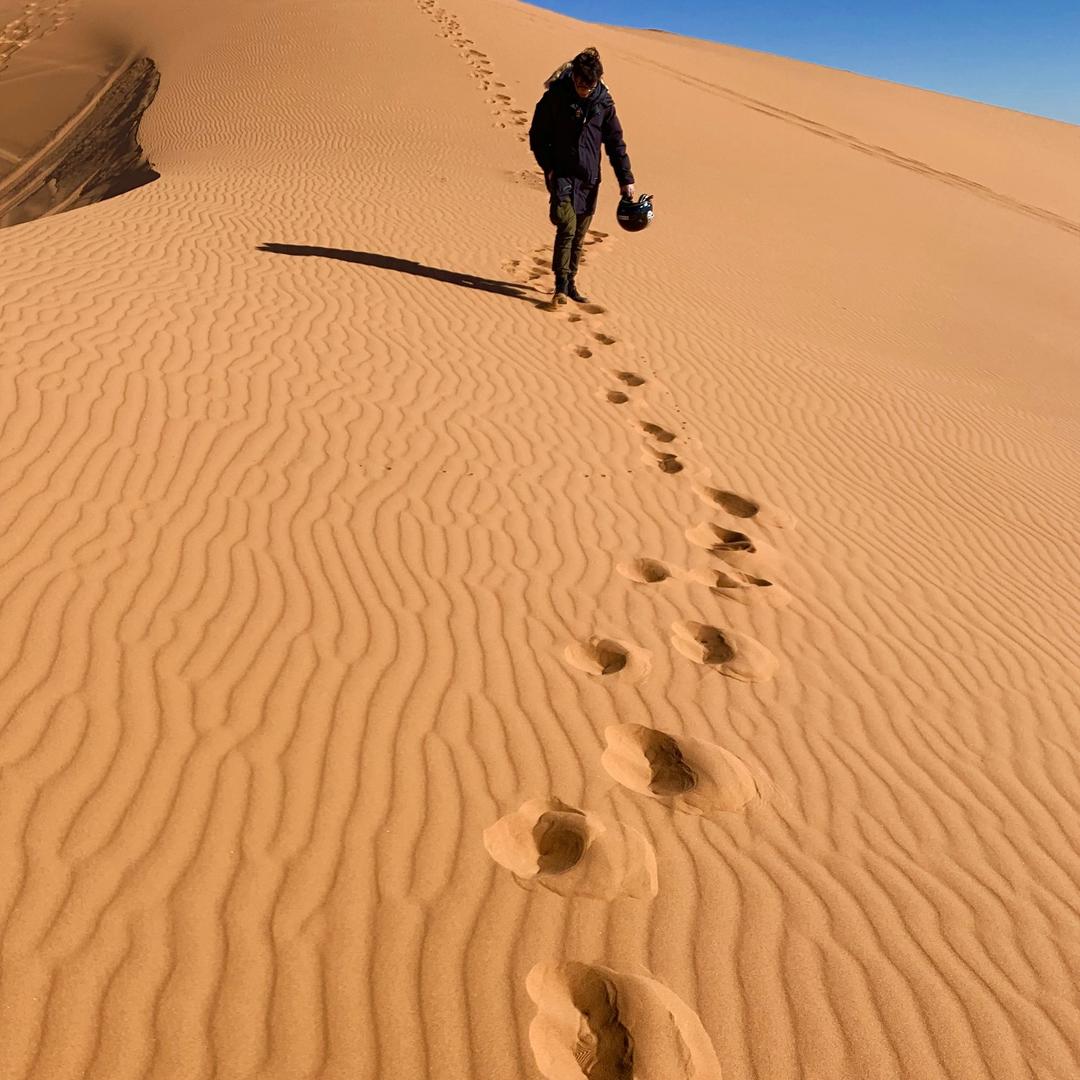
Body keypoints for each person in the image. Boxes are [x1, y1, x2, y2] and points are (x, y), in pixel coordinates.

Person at [528, 47, 635, 305]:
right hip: (562, 173)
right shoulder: (555, 97)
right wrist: (549, 167)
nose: (584, 89)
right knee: (566, 225)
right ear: (573, 76)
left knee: (579, 235)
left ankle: (571, 283)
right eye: (579, 84)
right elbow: (537, 136)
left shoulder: (604, 104)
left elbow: (615, 143)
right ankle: (560, 286)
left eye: (589, 85)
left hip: (589, 178)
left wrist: (626, 179)